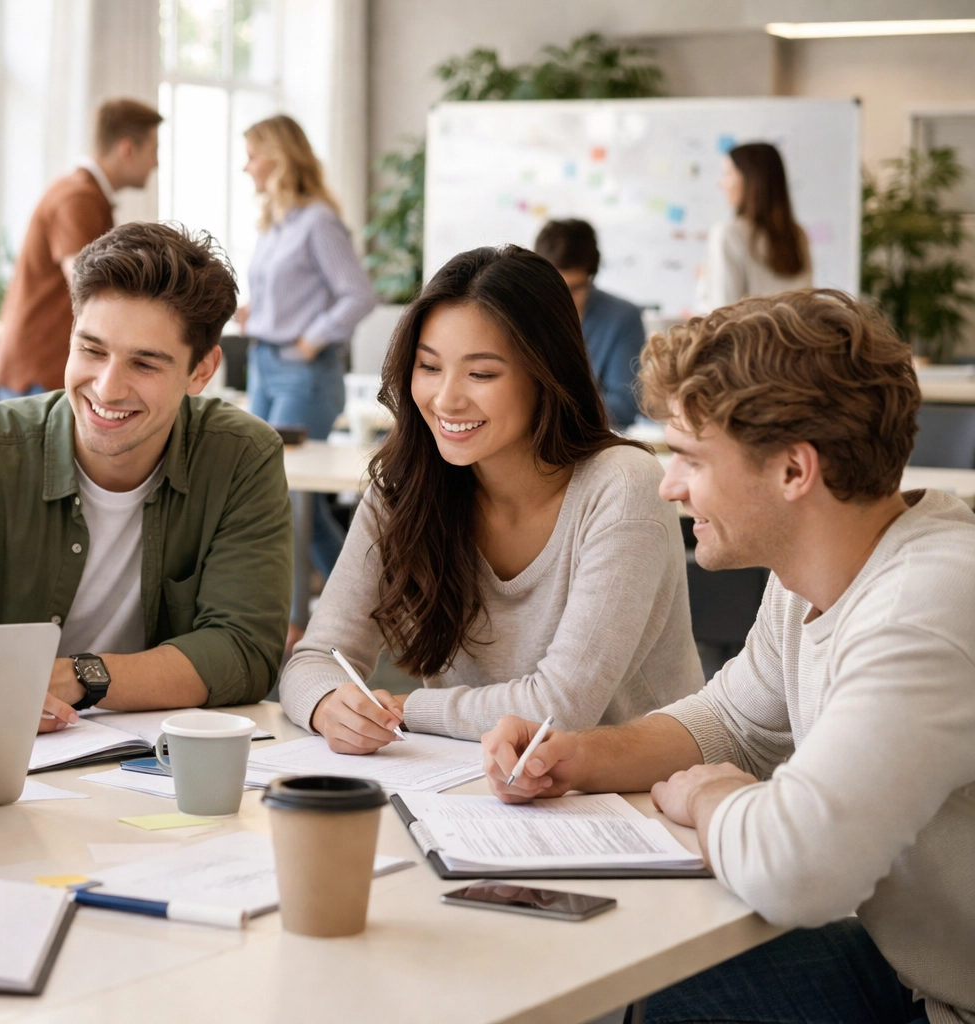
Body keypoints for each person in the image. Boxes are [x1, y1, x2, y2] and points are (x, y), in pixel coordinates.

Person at [481, 290, 974, 1024]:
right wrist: (577, 757)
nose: (669, 485)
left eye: (688, 458)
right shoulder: (815, 573)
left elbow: (796, 869)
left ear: (793, 471)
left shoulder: (923, 606)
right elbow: (733, 721)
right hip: (907, 971)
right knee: (643, 968)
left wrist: (708, 797)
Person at [0, 222, 292, 728]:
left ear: (201, 372)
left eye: (144, 364)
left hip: (161, 759)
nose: (107, 387)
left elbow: (244, 651)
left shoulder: (241, 457)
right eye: (92, 350)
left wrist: (81, 676)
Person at [279, 245, 703, 754]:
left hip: (635, 803)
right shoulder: (406, 486)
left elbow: (559, 709)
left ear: (546, 377)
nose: (446, 398)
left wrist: (404, 709)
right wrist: (328, 703)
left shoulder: (622, 485)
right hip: (475, 793)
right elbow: (312, 660)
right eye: (429, 367)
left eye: (481, 374)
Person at [240, 114, 376, 579]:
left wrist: (310, 339)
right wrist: (255, 313)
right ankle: (373, 607)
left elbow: (358, 294)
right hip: (263, 363)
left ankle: (301, 622)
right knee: (276, 497)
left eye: (252, 156)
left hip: (303, 372)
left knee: (289, 500)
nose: (247, 168)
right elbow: (288, 295)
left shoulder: (319, 221)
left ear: (278, 159)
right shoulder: (273, 224)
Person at [0, 98, 163, 402]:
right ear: (127, 149)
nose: (156, 163)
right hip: (41, 369)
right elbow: (90, 288)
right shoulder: (78, 198)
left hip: (42, 364)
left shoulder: (84, 193)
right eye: (153, 151)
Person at [533, 218, 645, 428]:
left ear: (591, 279)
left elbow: (624, 407)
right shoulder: (522, 314)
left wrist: (545, 411)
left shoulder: (622, 317)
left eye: (576, 288)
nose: (564, 298)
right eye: (556, 286)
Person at [697, 142, 812, 311]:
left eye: (728, 173)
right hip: (796, 337)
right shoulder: (797, 234)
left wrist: (704, 283)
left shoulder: (728, 234)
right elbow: (807, 306)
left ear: (751, 179)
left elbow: (722, 315)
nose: (721, 183)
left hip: (746, 337)